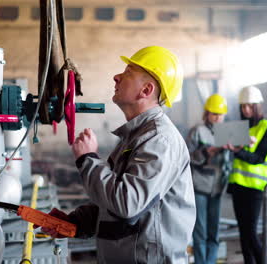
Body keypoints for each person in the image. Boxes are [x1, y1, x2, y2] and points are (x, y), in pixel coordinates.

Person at [37, 46, 196, 263]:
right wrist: (75, 222)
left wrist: (88, 160)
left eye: (128, 72)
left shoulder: (160, 140)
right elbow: (112, 204)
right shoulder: (137, 137)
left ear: (146, 90)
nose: (116, 77)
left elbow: (127, 204)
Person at [224, 86, 267, 264]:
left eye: (249, 106)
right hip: (238, 186)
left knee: (250, 232)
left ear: (257, 106)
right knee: (243, 233)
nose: (245, 109)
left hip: (254, 188)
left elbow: (259, 158)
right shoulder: (240, 128)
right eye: (242, 106)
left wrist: (237, 151)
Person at [186, 94, 232, 264]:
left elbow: (229, 160)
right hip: (200, 186)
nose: (217, 118)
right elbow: (187, 157)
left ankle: (210, 262)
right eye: (214, 114)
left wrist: (239, 147)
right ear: (207, 113)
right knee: (201, 232)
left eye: (220, 115)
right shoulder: (197, 131)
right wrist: (207, 152)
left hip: (218, 188)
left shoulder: (228, 132)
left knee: (214, 233)